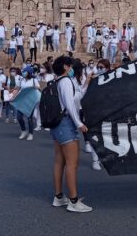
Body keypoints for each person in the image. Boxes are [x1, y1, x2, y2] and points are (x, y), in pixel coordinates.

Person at [49, 56, 93, 213]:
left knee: (59, 162)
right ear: (66, 67)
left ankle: (59, 197)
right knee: (72, 164)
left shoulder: (59, 81)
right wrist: (79, 124)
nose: (72, 68)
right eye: (70, 65)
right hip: (66, 123)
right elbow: (69, 104)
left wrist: (86, 82)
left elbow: (76, 98)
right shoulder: (66, 82)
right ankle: (73, 201)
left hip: (57, 124)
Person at [72, 60, 100, 170]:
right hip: (75, 107)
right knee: (80, 129)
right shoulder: (69, 80)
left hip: (87, 106)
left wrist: (87, 81)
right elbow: (78, 93)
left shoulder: (84, 77)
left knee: (88, 128)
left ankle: (95, 157)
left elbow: (84, 91)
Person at [17, 66, 40, 141]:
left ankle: (30, 133)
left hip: (30, 100)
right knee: (19, 117)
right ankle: (23, 130)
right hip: (22, 100)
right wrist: (12, 96)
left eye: (25, 71)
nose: (23, 73)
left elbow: (38, 88)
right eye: (23, 71)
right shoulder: (21, 80)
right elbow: (17, 88)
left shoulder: (34, 80)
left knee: (29, 118)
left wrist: (35, 87)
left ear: (29, 72)